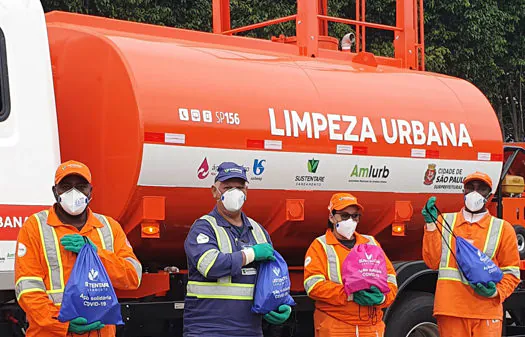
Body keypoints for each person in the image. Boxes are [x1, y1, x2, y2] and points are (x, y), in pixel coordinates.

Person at [14, 160, 142, 337]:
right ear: (55, 191)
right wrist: (60, 322)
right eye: (66, 186)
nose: (73, 193)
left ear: (91, 191)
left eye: (81, 186)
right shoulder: (35, 227)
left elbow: (133, 277)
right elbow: (27, 288)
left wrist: (95, 254)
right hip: (51, 333)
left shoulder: (109, 228)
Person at [183, 162, 291, 337]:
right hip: (208, 330)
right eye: (227, 187)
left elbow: (271, 277)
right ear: (214, 191)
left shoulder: (258, 231)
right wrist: (251, 254)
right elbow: (211, 266)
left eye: (240, 187)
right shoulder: (203, 228)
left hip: (250, 330)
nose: (235, 193)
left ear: (246, 192)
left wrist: (281, 302)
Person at [422, 171, 520, 337]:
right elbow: (432, 262)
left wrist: (496, 292)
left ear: (489, 195)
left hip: (486, 311)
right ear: (463, 192)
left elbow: (511, 272)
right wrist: (431, 225)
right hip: (451, 310)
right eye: (470, 187)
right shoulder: (445, 222)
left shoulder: (503, 229)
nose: (475, 192)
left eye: (481, 188)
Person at [303, 192, 398, 337]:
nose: (350, 220)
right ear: (331, 217)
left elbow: (390, 278)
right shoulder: (320, 245)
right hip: (336, 326)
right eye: (345, 215)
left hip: (371, 327)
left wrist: (383, 298)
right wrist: (350, 295)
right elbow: (313, 286)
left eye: (355, 216)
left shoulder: (371, 243)